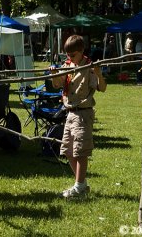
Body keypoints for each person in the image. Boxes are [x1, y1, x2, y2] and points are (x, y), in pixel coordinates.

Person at [49, 35, 107, 198]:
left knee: (80, 151)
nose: (69, 58)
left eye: (73, 55)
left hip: (83, 113)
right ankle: (81, 184)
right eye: (67, 54)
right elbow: (58, 84)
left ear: (82, 51)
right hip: (70, 113)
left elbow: (102, 88)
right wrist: (54, 74)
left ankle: (79, 186)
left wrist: (98, 73)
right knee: (68, 150)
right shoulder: (67, 65)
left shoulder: (89, 67)